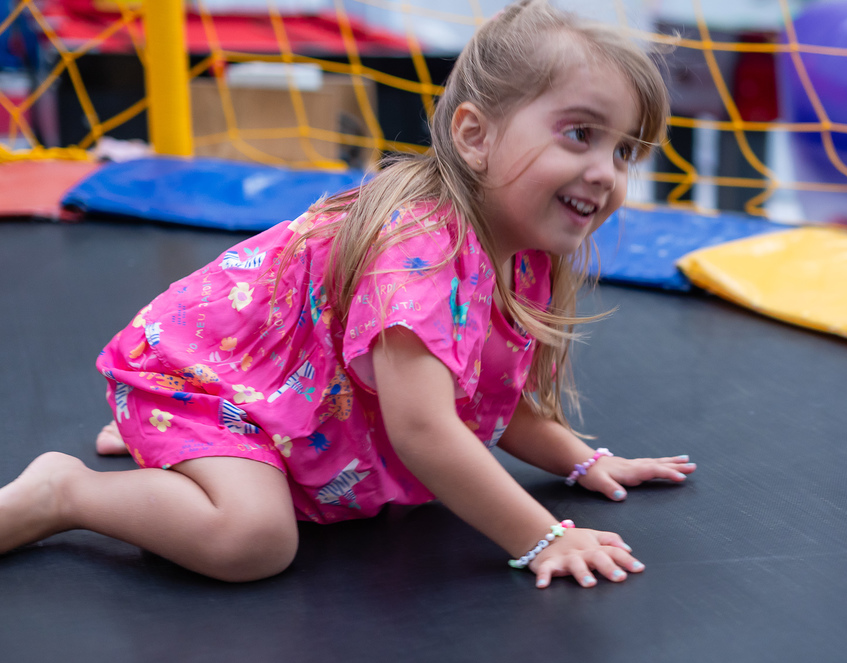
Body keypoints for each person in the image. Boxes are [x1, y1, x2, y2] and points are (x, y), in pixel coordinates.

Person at [0, 0, 696, 588]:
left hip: (257, 391)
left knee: (260, 519)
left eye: (624, 151)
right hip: (200, 380)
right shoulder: (422, 254)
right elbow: (423, 428)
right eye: (581, 134)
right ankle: (66, 491)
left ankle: (170, 444)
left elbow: (487, 396)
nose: (605, 172)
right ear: (475, 136)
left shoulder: (522, 253)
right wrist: (545, 536)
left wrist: (584, 458)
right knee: (252, 538)